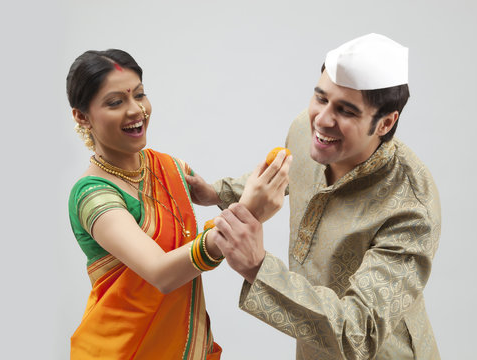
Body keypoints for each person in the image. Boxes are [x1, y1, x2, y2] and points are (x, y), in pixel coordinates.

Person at [187, 33, 441, 359]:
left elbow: (358, 334)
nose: (322, 120)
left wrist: (258, 268)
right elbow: (288, 172)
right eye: (321, 98)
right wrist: (216, 192)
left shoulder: (410, 208)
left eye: (346, 111)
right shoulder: (307, 132)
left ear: (385, 122)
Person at [66, 49, 291, 359]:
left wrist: (215, 193)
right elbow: (161, 273)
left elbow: (213, 191)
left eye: (140, 95)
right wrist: (246, 214)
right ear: (82, 116)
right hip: (122, 350)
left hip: (187, 346)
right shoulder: (93, 195)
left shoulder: (169, 167)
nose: (136, 111)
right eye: (115, 102)